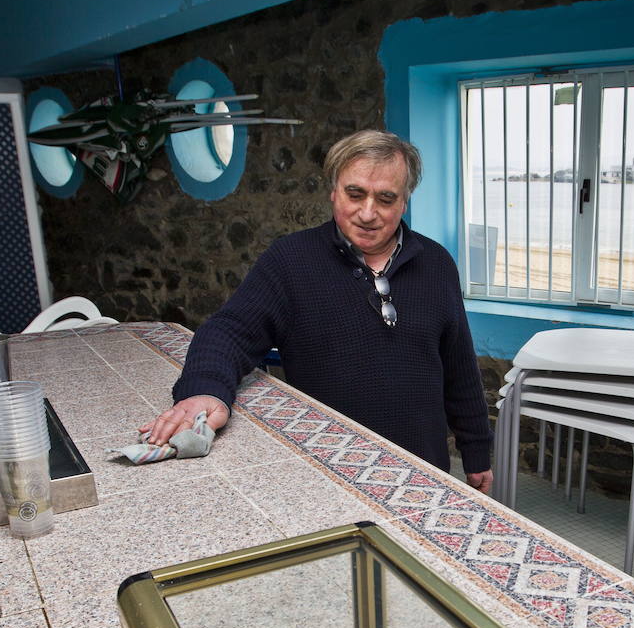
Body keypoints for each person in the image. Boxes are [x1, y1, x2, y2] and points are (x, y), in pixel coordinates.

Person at [140, 130, 494, 493]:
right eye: (354, 194)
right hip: (327, 471)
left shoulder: (436, 264)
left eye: (385, 199)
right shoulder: (290, 261)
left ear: (404, 202)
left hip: (422, 467)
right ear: (333, 191)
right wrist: (206, 391)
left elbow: (459, 365)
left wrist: (476, 450)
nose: (367, 213)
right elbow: (228, 331)